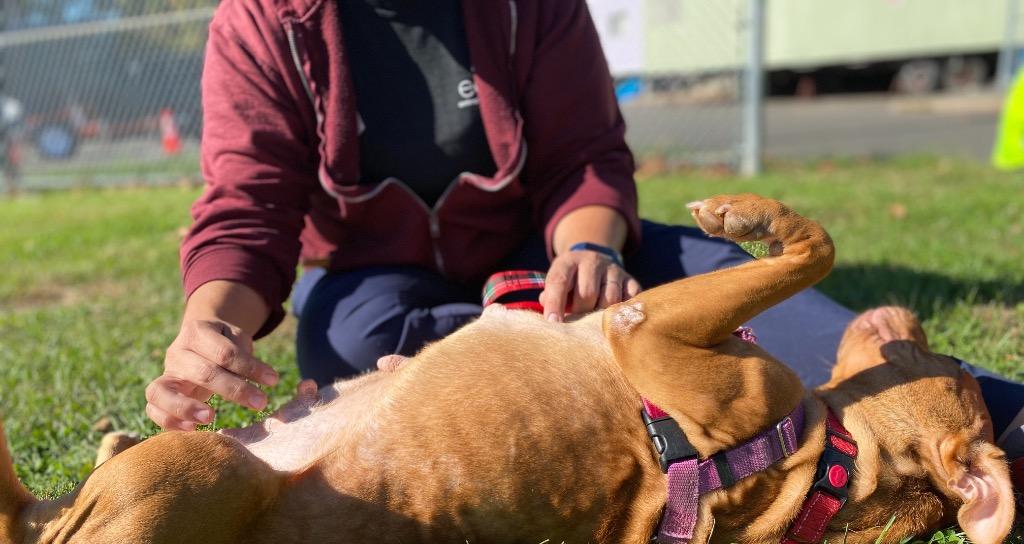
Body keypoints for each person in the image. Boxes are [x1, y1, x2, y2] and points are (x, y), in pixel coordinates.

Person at [145, 0, 1024, 485]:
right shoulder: (260, 23)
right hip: (385, 276)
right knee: (341, 336)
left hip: (554, 243)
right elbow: (249, 201)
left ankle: (995, 410)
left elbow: (586, 156)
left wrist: (594, 251)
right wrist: (211, 323)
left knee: (719, 274)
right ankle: (612, 351)